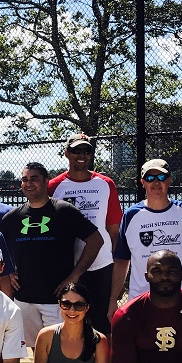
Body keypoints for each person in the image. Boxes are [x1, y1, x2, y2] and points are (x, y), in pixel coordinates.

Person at [0, 161, 101, 350]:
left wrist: (75, 275)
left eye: (34, 179)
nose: (29, 184)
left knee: (58, 348)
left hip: (56, 299)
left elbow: (96, 240)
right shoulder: (13, 218)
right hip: (25, 297)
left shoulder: (64, 211)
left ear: (46, 181)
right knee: (35, 348)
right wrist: (6, 273)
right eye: (25, 180)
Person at [108, 158, 182, 325]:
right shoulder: (131, 215)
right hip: (141, 302)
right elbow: (121, 261)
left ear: (170, 180)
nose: (156, 183)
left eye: (161, 178)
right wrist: (113, 299)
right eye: (150, 178)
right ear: (142, 182)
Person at [48, 133, 124, 335]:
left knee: (104, 323)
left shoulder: (105, 184)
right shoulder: (54, 187)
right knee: (72, 324)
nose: (81, 155)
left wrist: (118, 278)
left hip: (102, 265)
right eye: (76, 150)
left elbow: (114, 231)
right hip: (68, 266)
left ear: (91, 155)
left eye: (86, 151)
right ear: (66, 153)